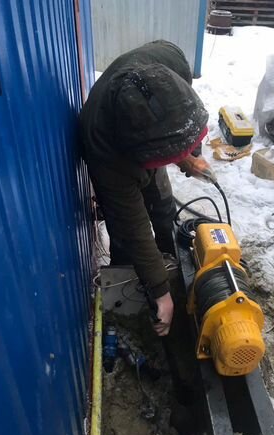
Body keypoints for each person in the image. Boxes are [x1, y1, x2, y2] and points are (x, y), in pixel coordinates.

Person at [80, 40, 208, 337]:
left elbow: (185, 113)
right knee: (126, 233)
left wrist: (190, 152)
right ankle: (126, 281)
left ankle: (170, 256)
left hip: (144, 134)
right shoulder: (102, 146)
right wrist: (161, 292)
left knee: (162, 205)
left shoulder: (169, 59)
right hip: (114, 148)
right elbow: (134, 224)